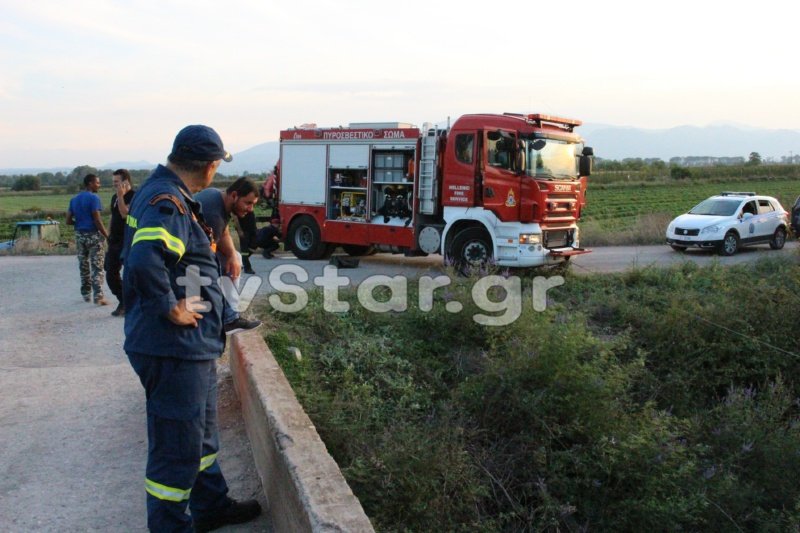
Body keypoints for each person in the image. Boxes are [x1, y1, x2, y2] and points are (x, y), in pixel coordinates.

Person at [121, 125, 262, 533]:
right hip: (173, 347)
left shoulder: (171, 195)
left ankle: (211, 506)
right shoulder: (167, 201)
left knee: (199, 438)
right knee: (177, 448)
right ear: (211, 166)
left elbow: (181, 266)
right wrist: (170, 308)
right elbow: (146, 260)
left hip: (191, 345)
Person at [195, 178, 262, 334]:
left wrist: (231, 255)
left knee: (236, 258)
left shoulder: (216, 196)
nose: (250, 209)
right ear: (234, 195)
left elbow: (224, 233)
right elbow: (207, 258)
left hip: (196, 251)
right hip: (184, 260)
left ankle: (230, 316)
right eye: (248, 203)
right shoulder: (214, 214)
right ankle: (229, 320)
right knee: (218, 268)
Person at [66, 173, 109, 305]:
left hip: (79, 235)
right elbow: (97, 219)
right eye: (97, 183)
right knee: (97, 266)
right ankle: (98, 296)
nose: (99, 185)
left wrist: (79, 223)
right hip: (93, 236)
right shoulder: (94, 198)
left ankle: (86, 294)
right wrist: (107, 235)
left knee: (83, 265)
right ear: (90, 183)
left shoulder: (74, 199)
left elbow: (68, 220)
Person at [105, 168, 135, 316]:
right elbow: (113, 216)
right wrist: (108, 234)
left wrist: (121, 196)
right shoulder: (114, 197)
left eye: (117, 182)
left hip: (128, 240)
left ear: (126, 182)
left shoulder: (134, 197)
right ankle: (123, 300)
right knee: (110, 273)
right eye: (113, 182)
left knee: (131, 274)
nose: (114, 185)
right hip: (114, 241)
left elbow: (125, 214)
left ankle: (128, 304)